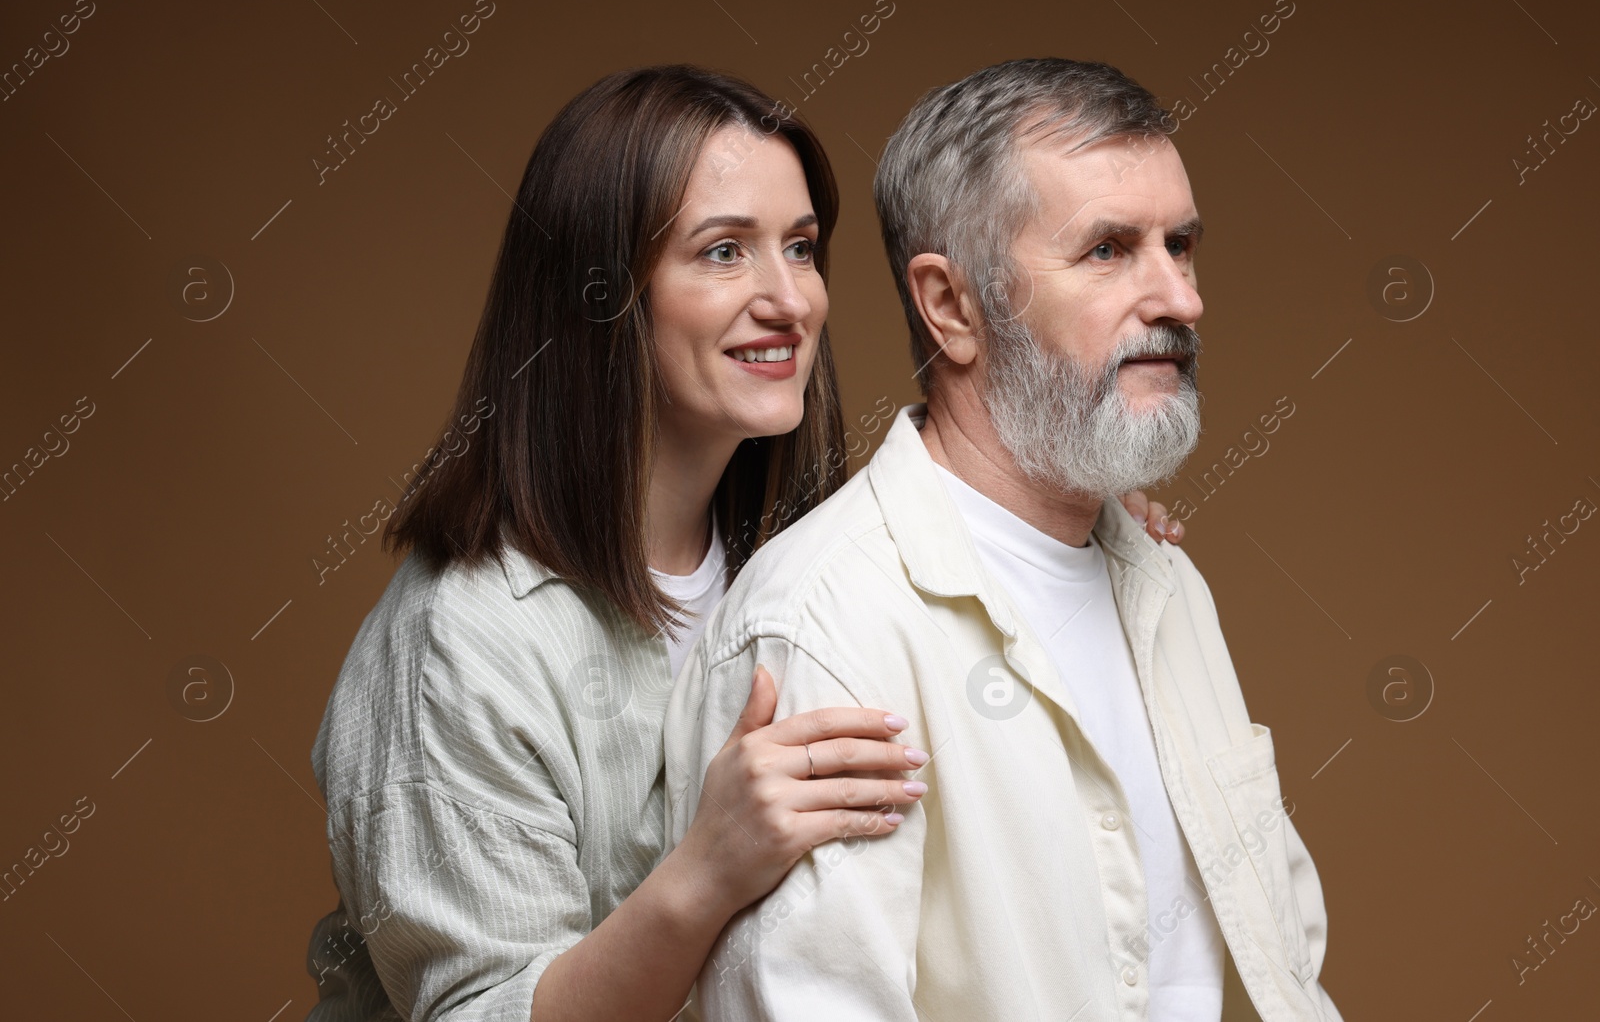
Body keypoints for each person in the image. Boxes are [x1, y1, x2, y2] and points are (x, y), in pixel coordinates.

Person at [301, 63, 1186, 1022]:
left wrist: (1070, 529)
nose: (789, 300)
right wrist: (702, 873)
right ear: (599, 292)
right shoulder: (463, 640)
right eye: (724, 252)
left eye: (801, 248)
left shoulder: (810, 567)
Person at [664, 58, 1343, 1022]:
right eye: (1110, 250)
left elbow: (1284, 965)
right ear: (951, 306)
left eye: (1179, 245)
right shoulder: (827, 629)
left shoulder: (1169, 585)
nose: (1180, 299)